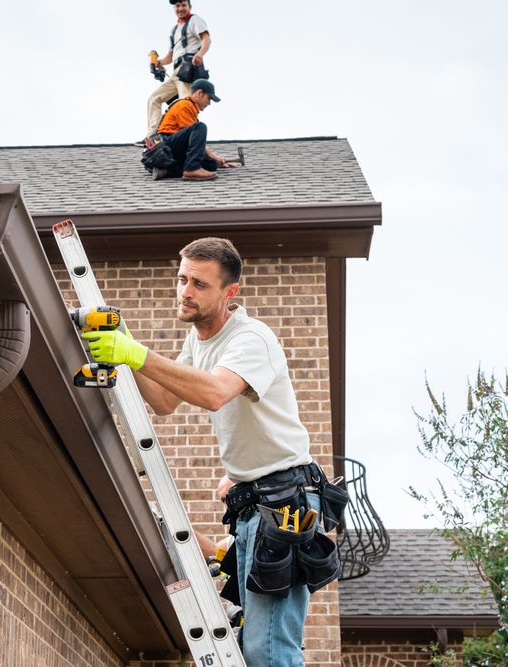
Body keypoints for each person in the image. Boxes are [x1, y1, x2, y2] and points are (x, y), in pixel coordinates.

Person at [82, 238, 337, 666]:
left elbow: (217, 392)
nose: (185, 291)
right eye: (182, 279)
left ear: (229, 293)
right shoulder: (198, 341)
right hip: (253, 503)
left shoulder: (251, 338)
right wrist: (125, 351)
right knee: (249, 642)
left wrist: (135, 353)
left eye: (199, 284)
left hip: (287, 502)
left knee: (268, 648)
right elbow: (164, 401)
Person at [146, 0, 211, 137]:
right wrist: (159, 63)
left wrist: (200, 54)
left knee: (185, 103)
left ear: (189, 6)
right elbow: (170, 56)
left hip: (188, 68)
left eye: (183, 5)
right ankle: (152, 136)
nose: (180, 8)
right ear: (174, 8)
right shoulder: (175, 30)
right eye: (177, 6)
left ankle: (190, 137)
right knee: (154, 98)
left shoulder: (195, 20)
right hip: (177, 71)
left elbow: (206, 39)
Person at [152, 79, 233, 181]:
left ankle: (165, 171)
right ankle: (192, 169)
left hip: (172, 151)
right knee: (200, 127)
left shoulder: (191, 109)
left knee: (211, 165)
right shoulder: (184, 105)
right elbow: (194, 135)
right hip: (165, 147)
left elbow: (194, 143)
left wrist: (216, 161)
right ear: (199, 93)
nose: (209, 103)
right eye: (209, 98)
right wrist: (212, 155)